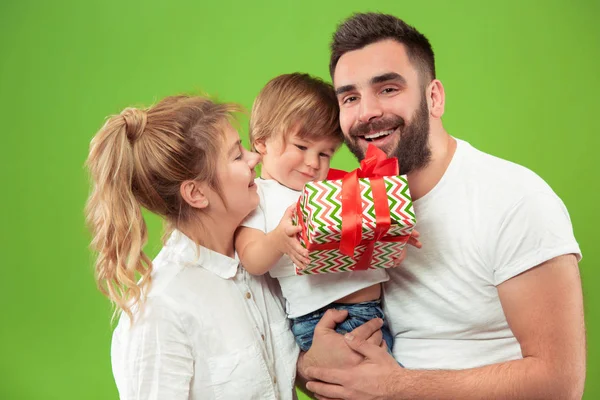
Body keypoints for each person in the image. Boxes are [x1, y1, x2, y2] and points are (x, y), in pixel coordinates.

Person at [300, 12, 586, 399]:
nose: (366, 112)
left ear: (434, 97)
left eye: (387, 89)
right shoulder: (346, 206)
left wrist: (397, 387)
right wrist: (310, 364)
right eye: (350, 97)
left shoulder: (515, 198)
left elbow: (559, 383)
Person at [85, 95, 299, 399]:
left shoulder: (262, 259)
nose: (254, 158)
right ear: (196, 193)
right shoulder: (161, 308)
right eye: (237, 156)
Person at [235, 73, 420, 354]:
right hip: (321, 320)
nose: (313, 163)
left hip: (373, 313)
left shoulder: (336, 189)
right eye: (301, 146)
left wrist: (391, 234)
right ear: (262, 142)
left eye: (325, 154)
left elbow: (363, 233)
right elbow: (250, 258)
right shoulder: (259, 195)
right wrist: (277, 241)